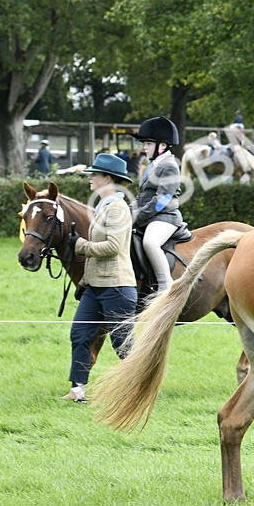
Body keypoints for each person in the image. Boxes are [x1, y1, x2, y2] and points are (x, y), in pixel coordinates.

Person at [63, 153, 137, 402]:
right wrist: (84, 281)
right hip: (95, 286)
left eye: (94, 175)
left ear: (107, 178)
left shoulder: (117, 208)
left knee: (122, 343)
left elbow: (113, 247)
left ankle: (140, 386)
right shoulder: (104, 206)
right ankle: (77, 390)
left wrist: (80, 245)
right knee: (80, 334)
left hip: (116, 286)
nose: (90, 179)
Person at [130, 115, 184, 294]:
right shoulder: (153, 165)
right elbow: (142, 196)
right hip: (150, 215)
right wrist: (126, 212)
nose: (144, 147)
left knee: (150, 242)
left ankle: (165, 284)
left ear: (162, 145)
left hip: (165, 217)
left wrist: (138, 216)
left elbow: (161, 200)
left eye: (148, 143)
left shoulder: (169, 166)